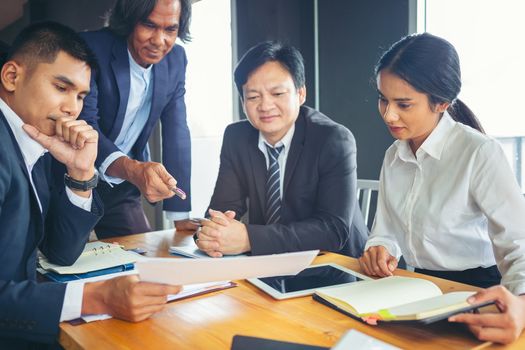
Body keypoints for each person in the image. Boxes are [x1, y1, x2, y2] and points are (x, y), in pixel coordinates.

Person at [0, 22, 180, 348]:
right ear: (12, 77)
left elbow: (60, 252)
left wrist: (81, 173)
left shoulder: (32, 141)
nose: (73, 108)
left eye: (81, 95)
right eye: (61, 87)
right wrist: (96, 298)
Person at [358, 33, 525, 343]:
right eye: (383, 99)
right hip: (413, 287)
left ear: (442, 103)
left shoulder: (479, 153)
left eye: (403, 104)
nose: (388, 114)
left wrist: (522, 305)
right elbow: (386, 231)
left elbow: (520, 244)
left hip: (476, 292)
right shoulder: (394, 156)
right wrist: (380, 249)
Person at [195, 41, 368, 258]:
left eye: (277, 94)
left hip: (335, 268)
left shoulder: (333, 139)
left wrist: (249, 238)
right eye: (253, 97)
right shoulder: (236, 138)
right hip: (271, 266)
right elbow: (221, 210)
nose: (265, 106)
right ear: (242, 101)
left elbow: (332, 230)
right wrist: (212, 233)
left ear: (301, 93)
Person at [79, 0, 198, 238]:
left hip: (121, 185)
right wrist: (133, 170)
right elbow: (85, 122)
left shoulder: (176, 59)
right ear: (129, 21)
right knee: (60, 258)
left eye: (170, 29)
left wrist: (179, 215)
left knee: (142, 261)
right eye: (149, 25)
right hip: (72, 175)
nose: (159, 40)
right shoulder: (91, 48)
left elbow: (177, 132)